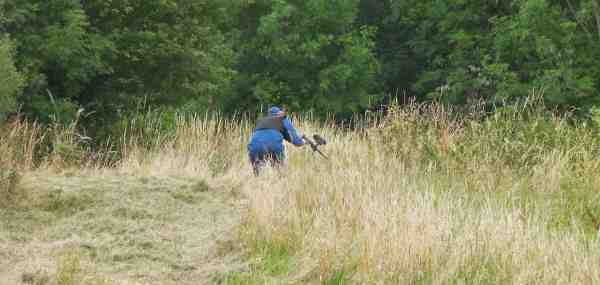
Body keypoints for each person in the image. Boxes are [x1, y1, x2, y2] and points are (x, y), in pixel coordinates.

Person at [247, 106, 304, 175]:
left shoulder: (261, 121)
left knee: (258, 174)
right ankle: (279, 179)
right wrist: (303, 142)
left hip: (254, 148)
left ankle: (258, 182)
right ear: (278, 113)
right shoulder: (282, 119)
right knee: (279, 173)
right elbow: (296, 141)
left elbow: (256, 136)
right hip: (273, 146)